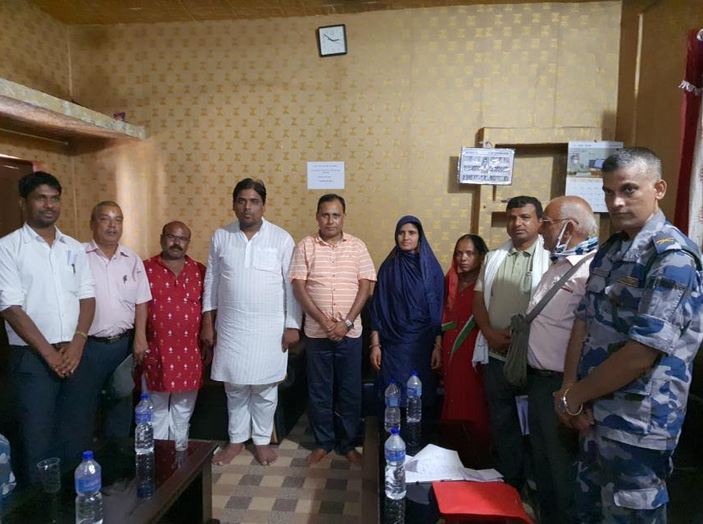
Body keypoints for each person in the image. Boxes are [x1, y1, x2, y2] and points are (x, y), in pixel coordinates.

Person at [554, 148, 703, 522]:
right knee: (588, 511)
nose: (615, 202)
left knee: (631, 514)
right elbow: (584, 320)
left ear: (659, 189)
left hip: (638, 422)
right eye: (608, 192)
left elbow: (642, 353)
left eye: (628, 190)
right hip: (592, 412)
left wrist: (574, 396)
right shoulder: (611, 249)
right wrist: (569, 388)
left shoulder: (672, 257)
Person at [0, 172, 95, 483]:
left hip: (74, 354)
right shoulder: (8, 248)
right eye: (41, 198)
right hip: (32, 358)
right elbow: (11, 308)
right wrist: (50, 356)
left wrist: (78, 344)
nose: (49, 205)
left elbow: (87, 297)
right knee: (37, 440)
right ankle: (41, 505)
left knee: (76, 437)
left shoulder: (74, 247)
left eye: (54, 198)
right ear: (23, 202)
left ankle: (74, 501)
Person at [202, 178, 302, 466]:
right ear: (234, 204)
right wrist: (208, 321)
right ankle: (235, 440)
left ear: (263, 205)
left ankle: (260, 441)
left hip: (269, 327)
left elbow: (291, 285)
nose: (248, 207)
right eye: (242, 201)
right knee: (234, 386)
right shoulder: (221, 236)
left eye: (254, 201)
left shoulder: (281, 238)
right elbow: (212, 280)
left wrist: (292, 324)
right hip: (231, 325)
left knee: (265, 388)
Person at [525, 196, 598, 524]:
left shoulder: (591, 271)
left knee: (562, 472)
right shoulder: (557, 265)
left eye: (547, 222)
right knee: (543, 467)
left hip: (562, 387)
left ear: (570, 227)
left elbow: (590, 336)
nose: (540, 229)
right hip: (538, 383)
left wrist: (574, 394)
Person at [289, 194, 376, 465]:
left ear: (343, 218)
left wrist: (346, 322)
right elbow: (299, 287)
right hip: (317, 334)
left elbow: (366, 287)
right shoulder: (305, 246)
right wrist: (324, 321)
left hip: (350, 333)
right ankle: (323, 442)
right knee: (319, 390)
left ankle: (348, 444)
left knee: (350, 390)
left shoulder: (358, 247)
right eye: (325, 215)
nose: (330, 220)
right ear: (317, 217)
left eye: (335, 215)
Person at [473, 195, 550, 488]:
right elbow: (478, 300)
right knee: (502, 422)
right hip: (496, 356)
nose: (517, 223)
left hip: (535, 360)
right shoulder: (494, 257)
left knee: (537, 427)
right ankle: (509, 485)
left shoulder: (552, 258)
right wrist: (489, 332)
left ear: (540, 221)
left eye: (525, 217)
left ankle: (534, 486)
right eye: (512, 217)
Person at [65, 201, 151, 462]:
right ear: (92, 223)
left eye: (118, 220)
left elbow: (142, 301)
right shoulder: (76, 256)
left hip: (121, 348)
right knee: (81, 412)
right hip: (86, 348)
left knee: (120, 410)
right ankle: (81, 468)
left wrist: (140, 337)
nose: (112, 225)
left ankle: (117, 468)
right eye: (105, 219)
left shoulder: (131, 259)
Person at [368, 216, 444, 411]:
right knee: (392, 400)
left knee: (419, 402)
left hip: (422, 345)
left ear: (420, 236)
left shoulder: (431, 269)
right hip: (393, 345)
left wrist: (438, 346)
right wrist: (375, 345)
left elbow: (438, 310)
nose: (406, 237)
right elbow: (377, 309)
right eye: (401, 233)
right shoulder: (388, 268)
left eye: (411, 233)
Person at [143, 221, 206, 441]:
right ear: (162, 239)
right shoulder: (145, 268)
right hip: (156, 350)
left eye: (182, 238)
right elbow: (137, 306)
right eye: (171, 237)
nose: (176, 242)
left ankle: (179, 452)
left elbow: (208, 307)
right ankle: (159, 454)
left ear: (188, 242)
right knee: (156, 412)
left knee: (183, 413)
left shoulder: (199, 270)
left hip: (190, 352)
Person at [438, 234, 491, 452]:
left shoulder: (487, 285)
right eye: (459, 253)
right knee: (452, 400)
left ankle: (476, 457)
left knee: (472, 402)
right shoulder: (450, 281)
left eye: (469, 253)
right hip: (449, 350)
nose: (463, 258)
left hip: (473, 352)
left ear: (481, 256)